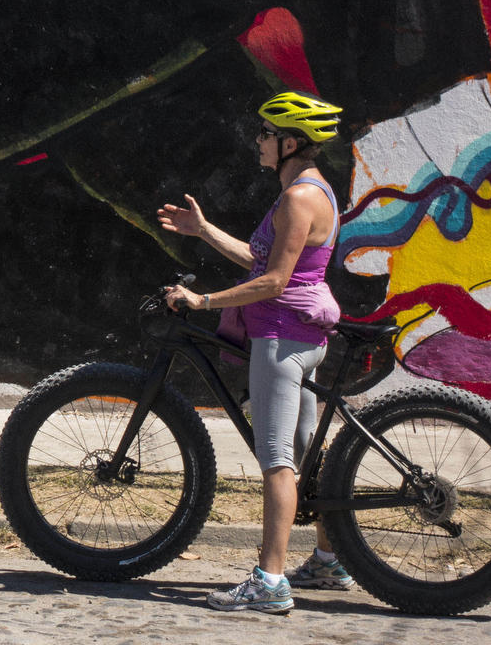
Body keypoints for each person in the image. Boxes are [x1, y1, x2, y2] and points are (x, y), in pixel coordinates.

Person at [159, 92, 348, 615]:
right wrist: (203, 230)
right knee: (306, 456)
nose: (258, 140)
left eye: (266, 133)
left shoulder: (298, 198)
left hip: (281, 338)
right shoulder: (309, 191)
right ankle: (329, 562)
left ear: (290, 142)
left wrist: (204, 301)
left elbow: (273, 281)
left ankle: (270, 582)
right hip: (302, 338)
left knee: (277, 463)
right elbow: (258, 255)